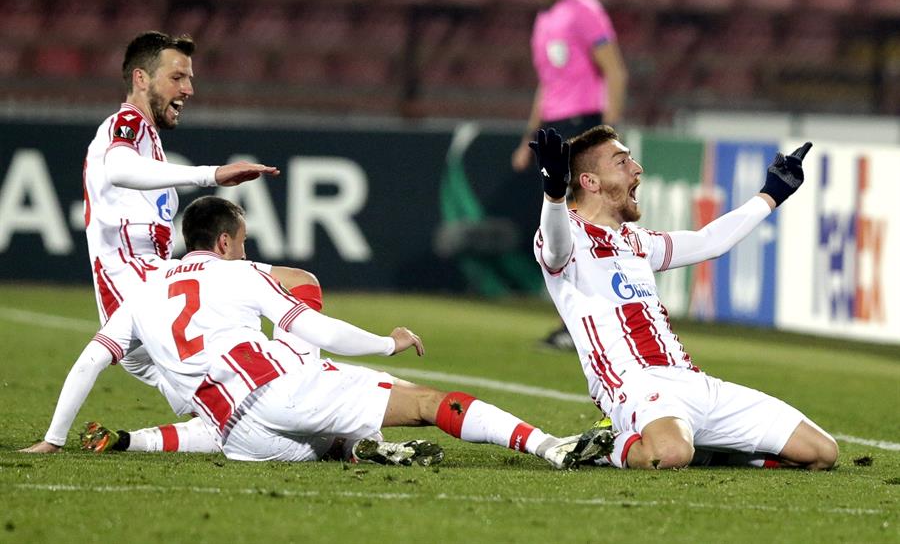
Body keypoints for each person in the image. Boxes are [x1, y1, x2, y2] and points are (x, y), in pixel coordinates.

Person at [24, 196, 612, 468]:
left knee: (323, 434)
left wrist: (53, 438)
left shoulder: (144, 290)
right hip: (278, 390)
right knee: (431, 401)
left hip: (238, 437)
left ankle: (358, 449)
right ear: (226, 242)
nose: (248, 249)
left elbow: (89, 361)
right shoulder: (239, 272)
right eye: (245, 240)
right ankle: (550, 447)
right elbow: (311, 323)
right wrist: (387, 340)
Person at [529, 126, 838, 470]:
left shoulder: (639, 242)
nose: (637, 168)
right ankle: (598, 446)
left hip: (690, 380)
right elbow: (555, 248)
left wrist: (771, 194)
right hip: (632, 382)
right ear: (590, 182)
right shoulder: (567, 237)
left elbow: (710, 241)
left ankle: (709, 450)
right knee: (669, 454)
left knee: (823, 452)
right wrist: (554, 194)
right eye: (622, 161)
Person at [79, 30, 299, 453]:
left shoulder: (149, 139)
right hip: (141, 296)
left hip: (147, 296)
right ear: (141, 78)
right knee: (283, 285)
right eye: (177, 77)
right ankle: (332, 409)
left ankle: (126, 442)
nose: (189, 89)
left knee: (237, 416)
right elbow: (119, 170)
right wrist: (210, 174)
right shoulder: (127, 123)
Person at [510, 0, 628, 349]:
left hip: (582, 123)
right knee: (556, 228)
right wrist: (530, 136)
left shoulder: (585, 11)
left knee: (581, 226)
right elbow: (548, 83)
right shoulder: (544, 19)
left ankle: (592, 321)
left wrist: (607, 136)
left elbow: (614, 71)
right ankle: (574, 321)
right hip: (556, 128)